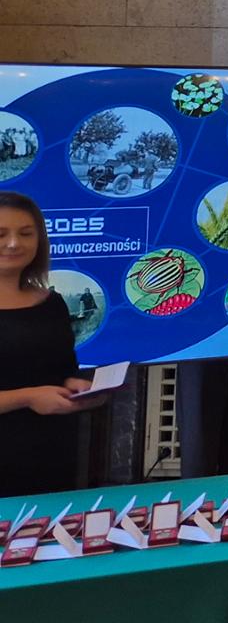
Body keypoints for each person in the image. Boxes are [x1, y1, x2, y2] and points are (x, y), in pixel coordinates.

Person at [0, 191, 106, 497]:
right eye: (2, 234)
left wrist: (83, 390)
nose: (13, 243)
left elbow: (63, 371)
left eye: (25, 233)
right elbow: (33, 391)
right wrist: (27, 397)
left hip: (52, 458)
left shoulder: (52, 303)